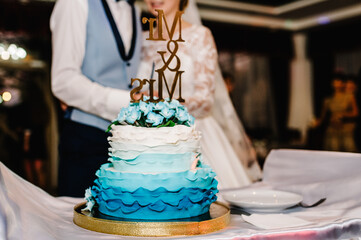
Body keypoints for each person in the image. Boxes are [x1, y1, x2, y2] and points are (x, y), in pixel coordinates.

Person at [138, 0, 253, 188]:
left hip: (195, 133)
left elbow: (205, 101)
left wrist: (163, 103)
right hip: (149, 139)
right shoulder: (141, 40)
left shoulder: (199, 36)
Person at [50, 0, 142, 197]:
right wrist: (127, 102)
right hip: (86, 140)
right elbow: (63, 81)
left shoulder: (134, 10)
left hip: (130, 147)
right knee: (79, 223)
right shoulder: (74, 3)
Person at [313, 74, 359, 152]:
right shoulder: (328, 100)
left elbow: (355, 113)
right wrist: (316, 122)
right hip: (332, 130)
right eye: (335, 81)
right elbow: (322, 117)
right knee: (333, 152)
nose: (337, 83)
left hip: (346, 129)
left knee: (349, 151)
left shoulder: (349, 97)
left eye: (340, 81)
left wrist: (343, 115)